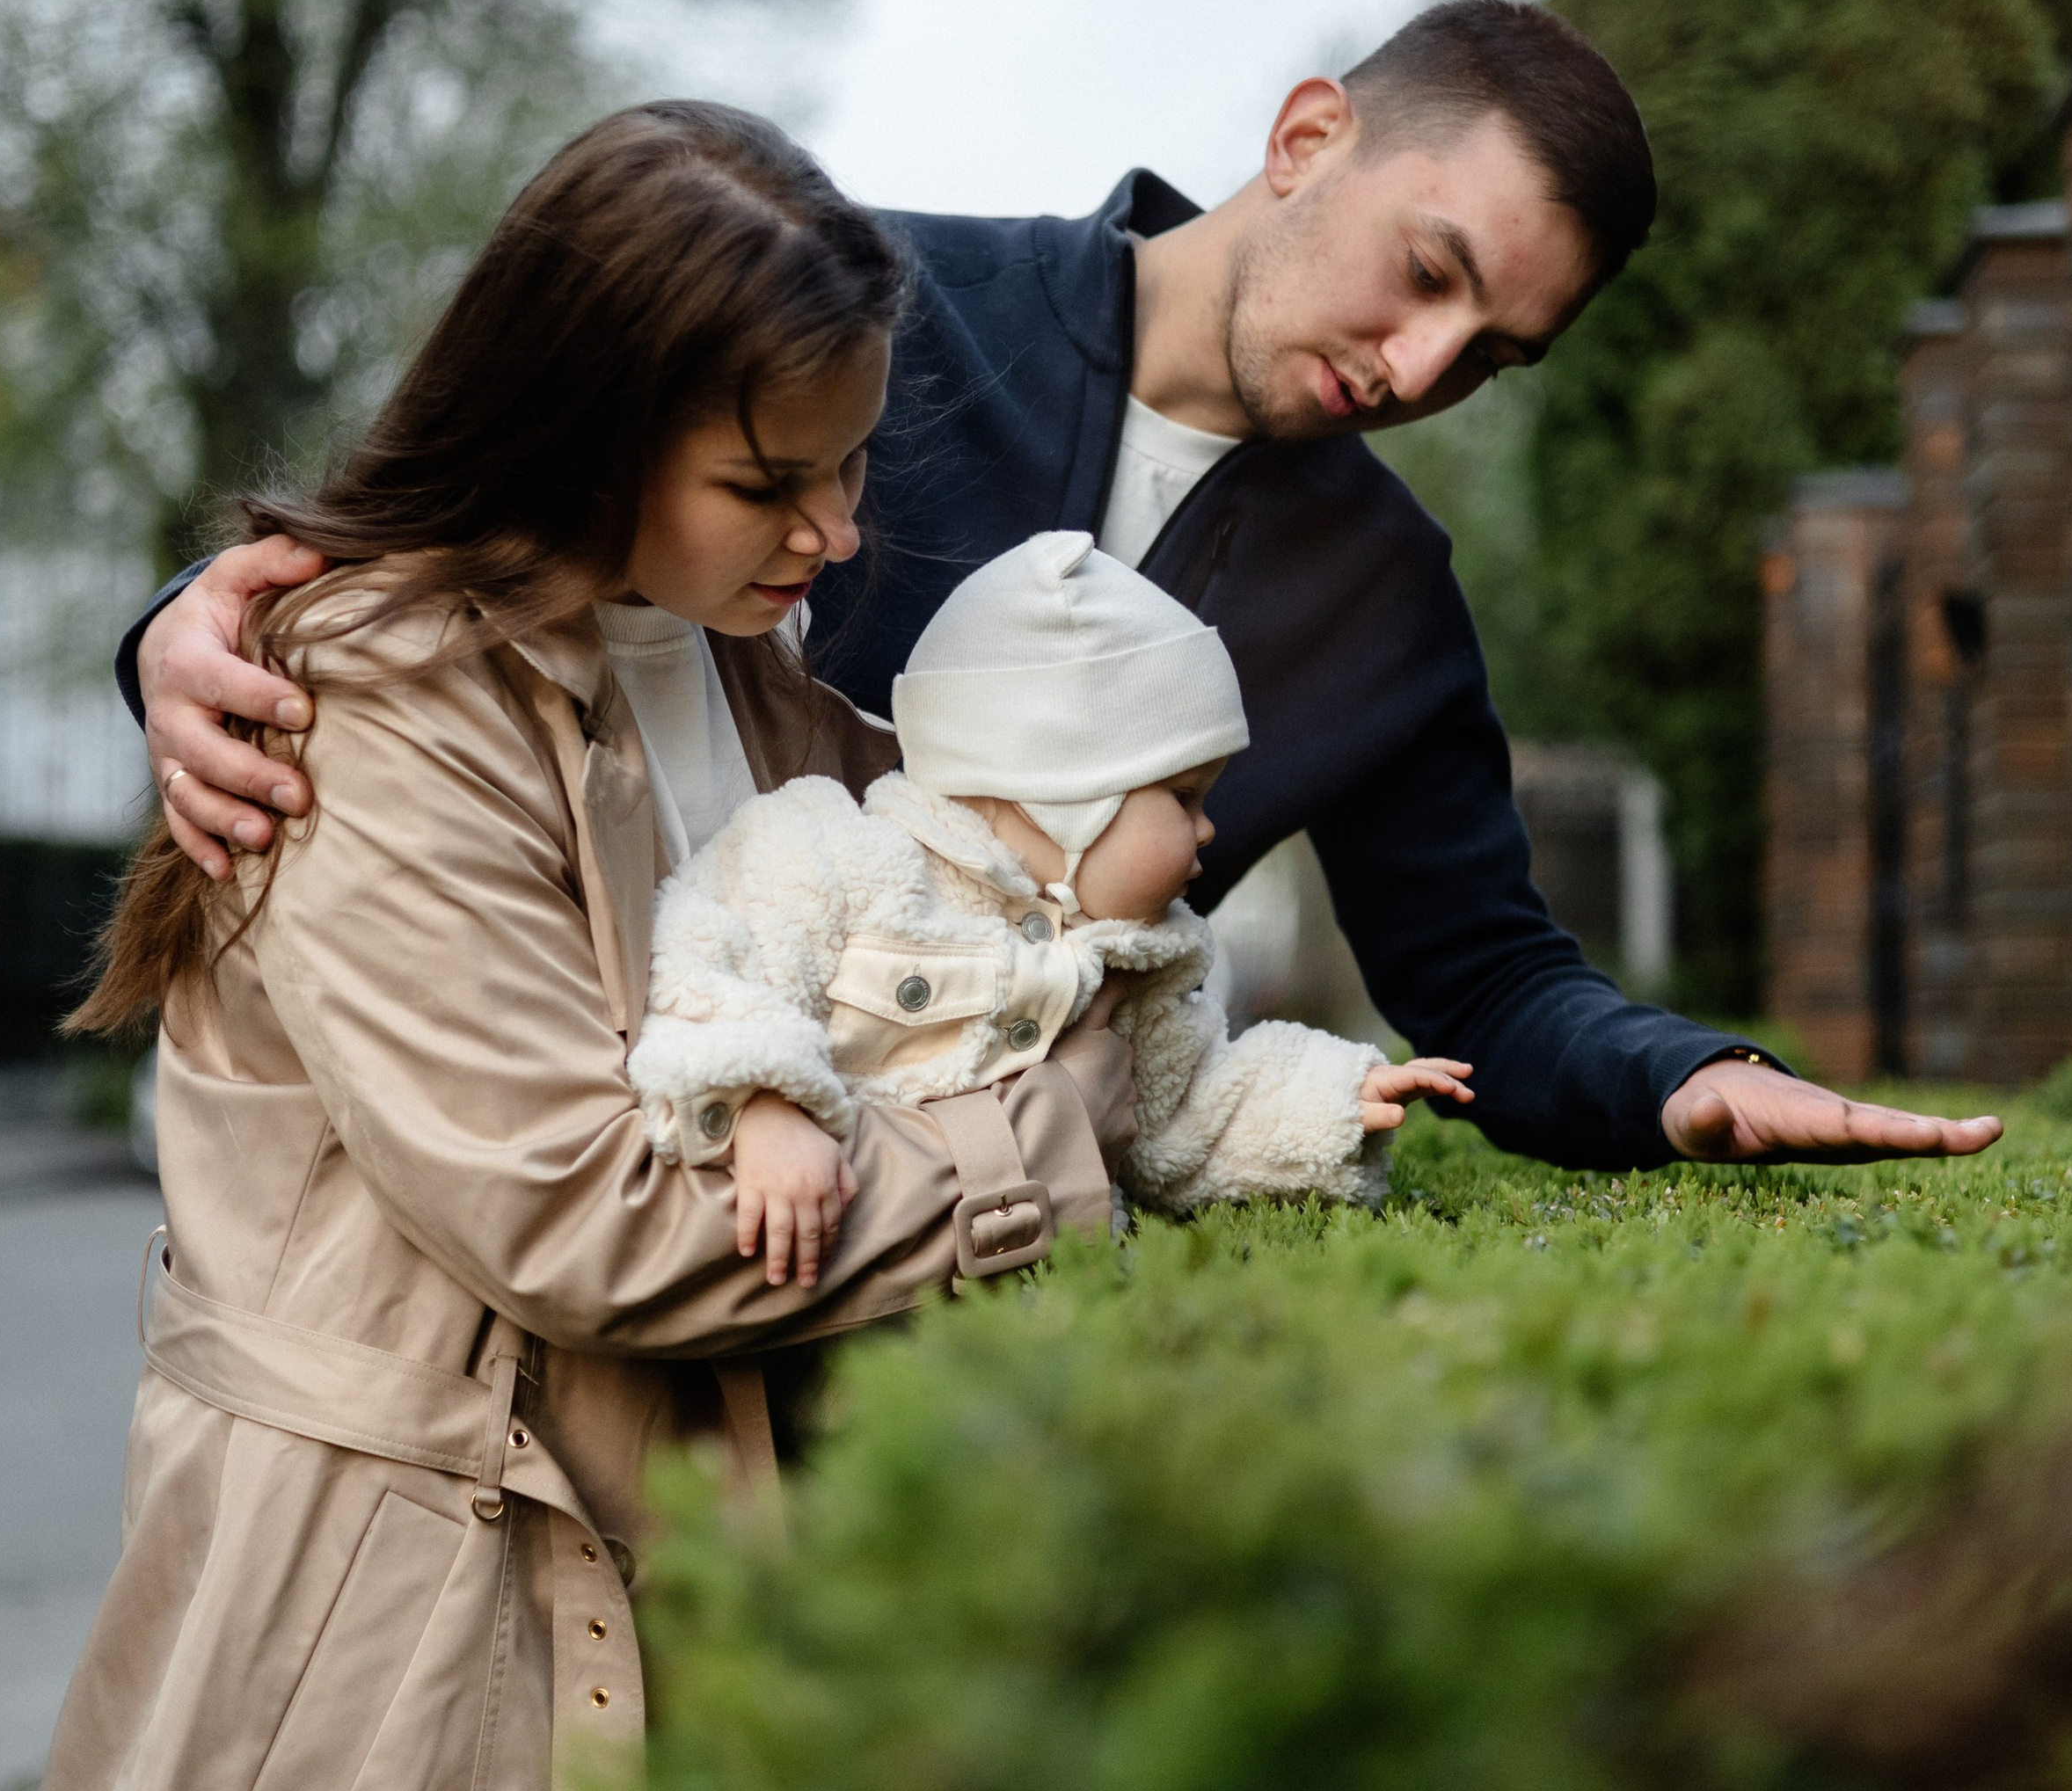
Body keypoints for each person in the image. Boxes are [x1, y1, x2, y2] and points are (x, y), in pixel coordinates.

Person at [0, 106, 1135, 1791]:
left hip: (677, 1596)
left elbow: (994, 961)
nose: (835, 536)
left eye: (846, 469)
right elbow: (598, 1222)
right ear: (590, 420)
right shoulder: (381, 701)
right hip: (384, 1629)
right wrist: (1035, 1148)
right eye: (770, 484)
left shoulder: (761, 683)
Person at [123, 0, 2002, 1174]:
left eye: (1494, 354)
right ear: (1303, 137)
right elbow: (493, 515)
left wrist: (1683, 1078)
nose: (1425, 371)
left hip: (971, 1290)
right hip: (619, 1173)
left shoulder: (1385, 597)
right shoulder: (875, 311)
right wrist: (193, 620)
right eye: (1427, 274)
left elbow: (1487, 974)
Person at [630, 528, 1474, 1269]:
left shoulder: (1135, 964)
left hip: (1043, 1317)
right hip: (857, 1286)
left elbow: (1188, 1120)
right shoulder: (833, 857)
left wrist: (1332, 1103)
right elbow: (707, 963)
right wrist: (764, 1107)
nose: (1209, 830)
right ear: (1061, 795)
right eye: (1182, 796)